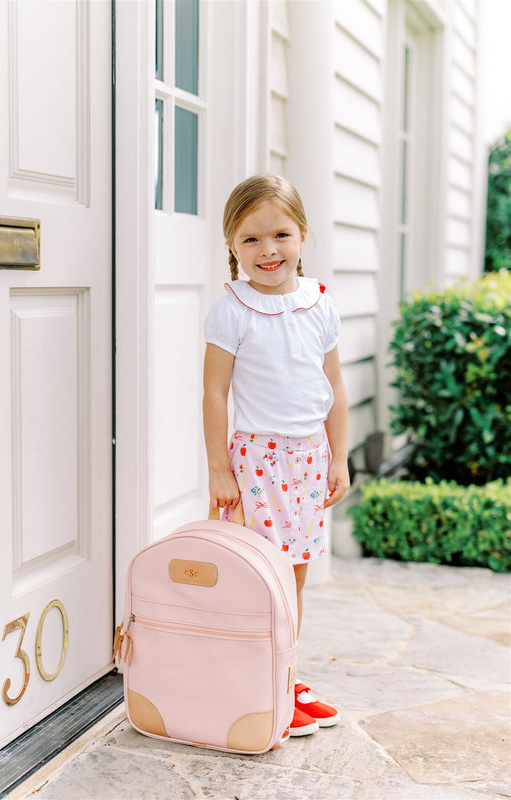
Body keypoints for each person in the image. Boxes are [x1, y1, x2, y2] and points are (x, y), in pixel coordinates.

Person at [203, 175, 350, 737]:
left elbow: (334, 388)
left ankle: (285, 675)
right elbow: (214, 393)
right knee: (253, 578)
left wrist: (338, 458)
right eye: (251, 240)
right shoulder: (232, 310)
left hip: (310, 461)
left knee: (293, 579)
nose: (268, 251)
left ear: (303, 236)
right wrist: (220, 468)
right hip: (256, 465)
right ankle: (251, 682)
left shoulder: (319, 306)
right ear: (233, 246)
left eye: (281, 235)